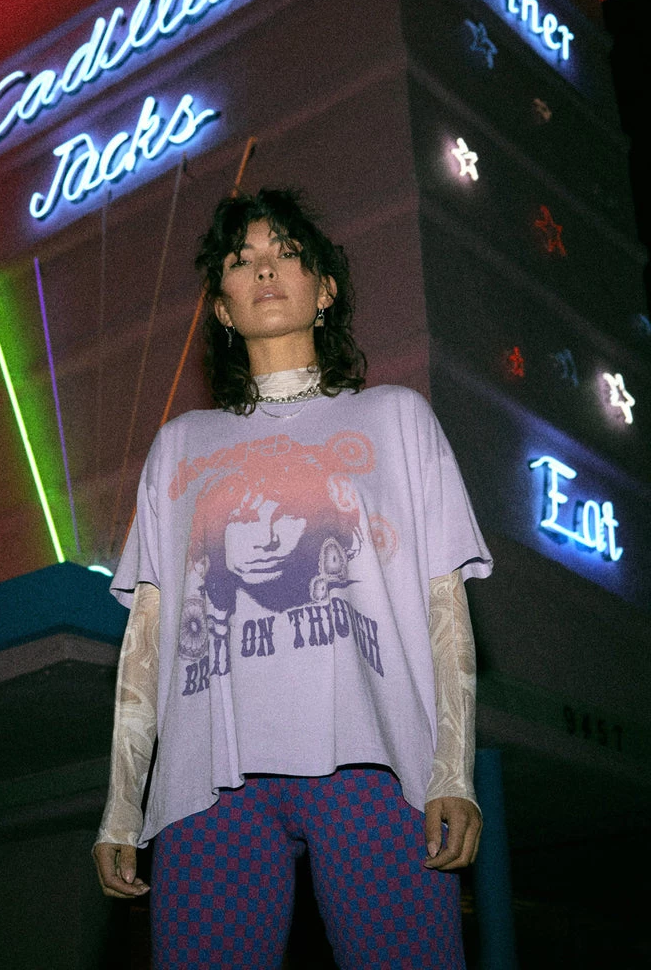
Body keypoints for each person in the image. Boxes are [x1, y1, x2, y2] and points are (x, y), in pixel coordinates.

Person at [93, 187, 493, 968]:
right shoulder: (180, 444)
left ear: (326, 289)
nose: (266, 270)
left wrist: (453, 770)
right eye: (241, 262)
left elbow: (444, 604)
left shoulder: (395, 418)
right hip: (210, 777)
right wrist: (121, 805)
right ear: (221, 307)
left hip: (374, 761)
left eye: (286, 254)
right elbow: (147, 635)